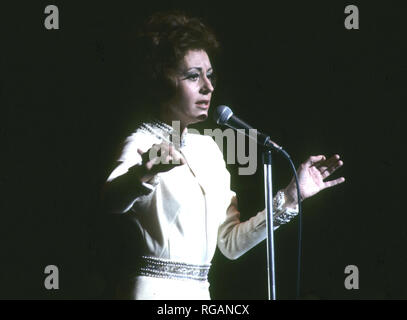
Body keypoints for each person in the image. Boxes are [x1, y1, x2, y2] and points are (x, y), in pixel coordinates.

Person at [102, 10, 345, 300]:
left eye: (210, 75)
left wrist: (290, 199)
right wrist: (144, 172)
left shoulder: (209, 150)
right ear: (161, 81)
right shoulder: (141, 141)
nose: (208, 86)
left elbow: (230, 243)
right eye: (193, 76)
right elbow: (109, 200)